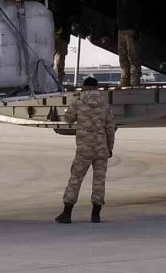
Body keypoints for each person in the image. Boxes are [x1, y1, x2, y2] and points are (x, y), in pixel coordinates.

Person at [55, 77, 116, 224]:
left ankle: (67, 213)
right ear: (97, 88)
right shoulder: (105, 106)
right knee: (99, 182)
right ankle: (96, 214)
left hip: (84, 150)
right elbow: (110, 130)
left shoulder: (78, 104)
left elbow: (68, 120)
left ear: (84, 88)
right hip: (101, 149)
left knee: (75, 180)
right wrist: (109, 148)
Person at [48, 0, 81, 83]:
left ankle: (58, 81)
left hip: (63, 33)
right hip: (51, 31)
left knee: (60, 58)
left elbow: (74, 14)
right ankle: (49, 80)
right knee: (48, 57)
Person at [116, 0, 142, 87]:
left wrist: (136, 29)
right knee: (122, 56)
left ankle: (135, 80)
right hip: (121, 30)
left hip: (130, 30)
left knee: (133, 56)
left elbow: (138, 14)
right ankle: (125, 79)